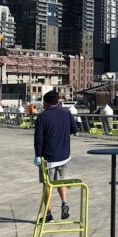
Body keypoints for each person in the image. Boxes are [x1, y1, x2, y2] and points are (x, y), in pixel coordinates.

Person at [34, 91, 78, 222]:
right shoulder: (66, 113)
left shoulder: (42, 117)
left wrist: (37, 156)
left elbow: (38, 140)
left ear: (46, 103)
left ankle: (48, 215)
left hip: (48, 157)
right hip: (64, 155)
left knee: (47, 185)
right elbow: (75, 129)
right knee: (61, 180)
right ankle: (64, 202)